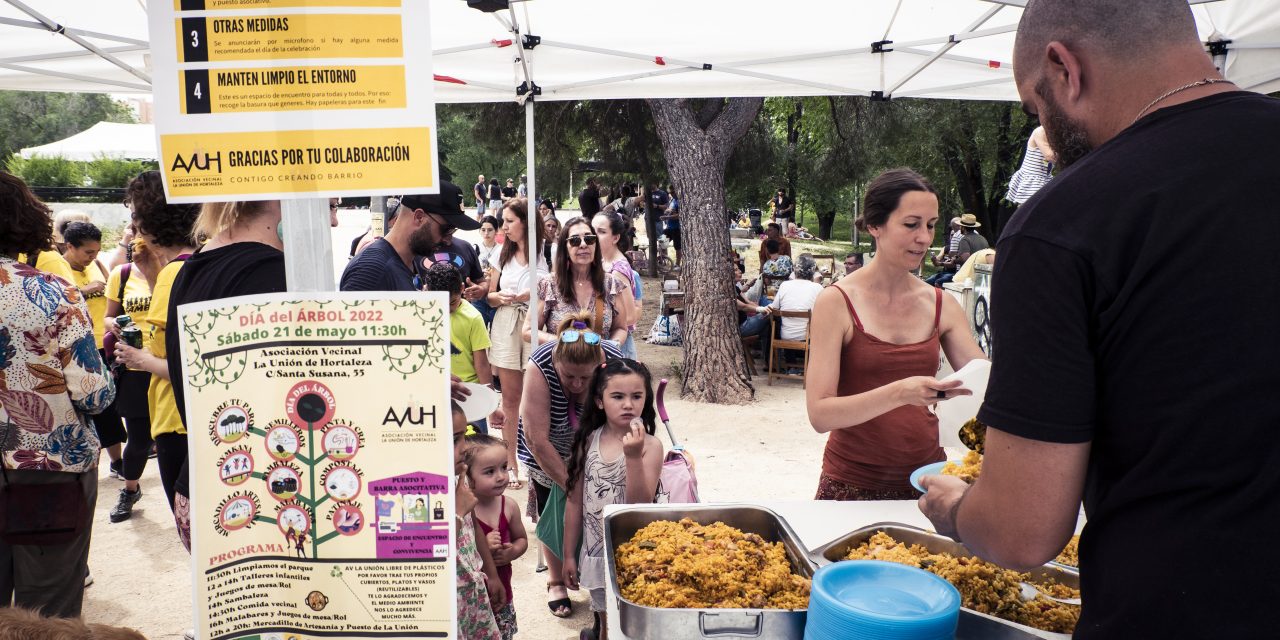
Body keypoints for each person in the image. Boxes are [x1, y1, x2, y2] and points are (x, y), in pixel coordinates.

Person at [918, 1, 1280, 636]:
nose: (1047, 138)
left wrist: (958, 508)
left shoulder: (1065, 226)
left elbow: (1022, 530)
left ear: (1064, 67)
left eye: (1036, 110)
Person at [805, 168, 985, 500]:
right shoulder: (836, 302)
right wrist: (901, 392)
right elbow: (820, 414)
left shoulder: (940, 304)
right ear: (875, 225)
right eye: (911, 224)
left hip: (929, 482)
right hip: (851, 485)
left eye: (931, 226)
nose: (925, 238)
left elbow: (983, 384)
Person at [1, 171, 114, 618]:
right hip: (46, 469)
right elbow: (92, 394)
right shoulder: (51, 293)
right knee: (47, 615)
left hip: (38, 471)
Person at [163, 199, 289, 551]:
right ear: (285, 206)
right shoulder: (272, 273)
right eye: (328, 208)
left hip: (204, 486)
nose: (335, 222)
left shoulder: (193, 267)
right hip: (254, 500)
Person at [517, 312, 623, 619]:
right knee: (553, 511)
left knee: (601, 512)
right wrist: (571, 484)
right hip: (550, 449)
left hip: (598, 447)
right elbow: (537, 439)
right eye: (569, 377)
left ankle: (597, 572)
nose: (577, 385)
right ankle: (556, 579)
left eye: (586, 378)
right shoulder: (540, 364)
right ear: (556, 362)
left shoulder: (614, 359)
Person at [112, 170, 199, 520]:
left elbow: (183, 367)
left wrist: (137, 357)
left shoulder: (173, 275)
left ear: (146, 223)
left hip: (176, 421)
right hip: (191, 418)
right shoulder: (195, 264)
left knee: (188, 526)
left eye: (134, 216)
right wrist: (151, 276)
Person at [564, 359, 665, 640]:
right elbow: (573, 503)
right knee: (606, 621)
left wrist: (632, 456)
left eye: (636, 396)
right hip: (596, 553)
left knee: (634, 623)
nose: (628, 404)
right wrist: (569, 555)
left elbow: (639, 507)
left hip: (636, 553)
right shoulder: (588, 441)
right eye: (617, 396)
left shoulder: (652, 446)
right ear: (599, 401)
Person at [486, 198, 548, 489]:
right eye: (504, 221)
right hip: (509, 320)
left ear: (525, 221)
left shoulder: (545, 250)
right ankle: (510, 463)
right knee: (510, 398)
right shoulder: (500, 252)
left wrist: (532, 296)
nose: (505, 227)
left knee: (536, 396)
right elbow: (490, 295)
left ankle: (538, 462)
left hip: (537, 320)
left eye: (510, 220)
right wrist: (504, 297)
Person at [61, 222, 127, 479]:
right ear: (69, 247)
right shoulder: (59, 271)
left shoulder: (97, 266)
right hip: (79, 349)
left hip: (104, 345)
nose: (94, 257)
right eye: (88, 252)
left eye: (97, 251)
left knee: (109, 407)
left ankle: (116, 461)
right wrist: (83, 290)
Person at [103, 221, 155, 523]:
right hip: (135, 365)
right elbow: (108, 317)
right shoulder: (120, 275)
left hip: (166, 362)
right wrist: (120, 328)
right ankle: (130, 489)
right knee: (139, 438)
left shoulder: (172, 273)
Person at [341, 183, 480, 292]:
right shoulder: (371, 270)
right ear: (419, 217)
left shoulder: (401, 263)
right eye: (446, 229)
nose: (447, 239)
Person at [423, 261, 501, 435]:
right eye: (439, 302)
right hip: (434, 392)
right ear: (426, 290)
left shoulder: (473, 317)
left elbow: (481, 364)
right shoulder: (420, 314)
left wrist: (491, 403)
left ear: (461, 288)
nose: (446, 309)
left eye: (452, 302)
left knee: (475, 448)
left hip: (469, 393)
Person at [465, 434, 529, 640]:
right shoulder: (464, 512)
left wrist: (513, 551)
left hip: (502, 592)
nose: (501, 476)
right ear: (466, 476)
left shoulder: (508, 506)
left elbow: (522, 539)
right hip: (474, 598)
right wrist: (482, 545)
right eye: (489, 471)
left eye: (503, 467)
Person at [528, 218, 627, 348]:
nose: (583, 245)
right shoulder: (549, 284)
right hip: (559, 364)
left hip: (599, 364)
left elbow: (621, 328)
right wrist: (563, 341)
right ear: (565, 248)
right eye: (575, 240)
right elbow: (528, 330)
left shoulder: (610, 284)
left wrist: (612, 345)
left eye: (589, 239)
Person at [451, 404, 503, 640]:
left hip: (473, 591)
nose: (464, 448)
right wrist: (457, 512)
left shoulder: (458, 479)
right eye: (454, 440)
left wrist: (492, 575)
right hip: (451, 599)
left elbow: (474, 532)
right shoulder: (418, 491)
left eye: (462, 436)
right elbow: (435, 553)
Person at [592, 212, 640, 359]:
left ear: (616, 237)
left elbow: (630, 316)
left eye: (601, 231)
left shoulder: (618, 270)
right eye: (592, 231)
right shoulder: (602, 262)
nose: (594, 236)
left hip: (616, 344)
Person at [765, 254, 824, 370]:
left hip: (785, 335)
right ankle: (813, 366)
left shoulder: (784, 285)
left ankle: (788, 366)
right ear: (813, 271)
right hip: (808, 336)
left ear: (794, 270)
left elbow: (774, 307)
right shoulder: (817, 288)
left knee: (777, 323)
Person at [1005, 125, 1056, 205]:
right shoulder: (1040, 131)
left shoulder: (1055, 134)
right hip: (1031, 182)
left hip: (1045, 179)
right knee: (1030, 211)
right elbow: (1050, 156)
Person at [925, 217, 962, 287]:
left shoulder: (961, 248)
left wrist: (939, 263)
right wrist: (934, 259)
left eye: (955, 234)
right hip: (943, 272)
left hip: (953, 273)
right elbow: (938, 259)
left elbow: (954, 264)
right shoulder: (946, 248)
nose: (953, 236)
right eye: (951, 235)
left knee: (938, 282)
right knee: (925, 283)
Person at [661, 184, 682, 266]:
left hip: (677, 228)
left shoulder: (680, 201)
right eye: (670, 192)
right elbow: (669, 209)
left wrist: (667, 216)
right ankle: (663, 261)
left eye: (673, 192)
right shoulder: (672, 200)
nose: (672, 194)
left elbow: (679, 216)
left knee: (677, 247)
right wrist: (667, 211)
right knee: (661, 242)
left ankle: (677, 264)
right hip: (669, 227)